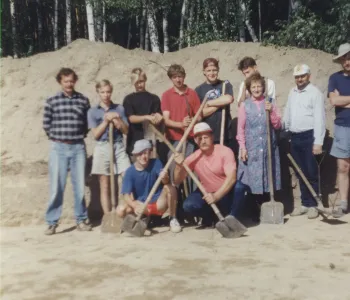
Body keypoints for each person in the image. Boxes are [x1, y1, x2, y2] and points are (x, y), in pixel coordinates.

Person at [43, 68, 92, 235]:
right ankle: (52, 222)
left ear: (75, 81)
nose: (69, 84)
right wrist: (58, 138)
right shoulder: (52, 100)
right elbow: (46, 124)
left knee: (79, 187)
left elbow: (87, 124)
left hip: (78, 147)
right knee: (57, 186)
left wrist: (77, 136)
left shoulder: (83, 100)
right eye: (66, 81)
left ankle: (81, 220)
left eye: (71, 81)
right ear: (60, 82)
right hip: (59, 148)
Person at [233, 73, 282, 221]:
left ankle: (267, 209)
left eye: (259, 86)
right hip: (251, 149)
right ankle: (254, 211)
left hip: (268, 149)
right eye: (253, 86)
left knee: (268, 177)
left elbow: (278, 125)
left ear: (263, 88)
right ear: (248, 89)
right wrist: (242, 147)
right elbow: (240, 129)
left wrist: (271, 110)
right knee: (251, 180)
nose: (256, 89)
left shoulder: (270, 102)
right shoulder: (244, 105)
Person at [173, 122, 238, 228]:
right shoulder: (194, 157)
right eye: (199, 138)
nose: (203, 141)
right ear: (195, 141)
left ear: (212, 137)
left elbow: (232, 178)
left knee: (240, 188)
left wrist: (216, 196)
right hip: (207, 192)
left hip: (226, 191)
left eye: (206, 137)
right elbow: (177, 181)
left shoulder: (225, 151)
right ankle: (211, 218)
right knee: (189, 205)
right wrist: (178, 166)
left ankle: (233, 216)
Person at [284, 64, 326, 219]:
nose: (299, 79)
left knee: (311, 172)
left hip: (310, 137)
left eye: (302, 76)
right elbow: (288, 112)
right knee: (300, 172)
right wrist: (286, 131)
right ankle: (305, 203)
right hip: (294, 137)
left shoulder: (315, 93)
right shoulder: (292, 92)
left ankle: (315, 204)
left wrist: (318, 142)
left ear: (309, 76)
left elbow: (320, 119)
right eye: (297, 77)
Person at [117, 139, 182, 233]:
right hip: (142, 206)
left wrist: (164, 177)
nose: (143, 156)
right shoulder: (130, 172)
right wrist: (134, 205)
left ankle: (173, 219)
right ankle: (139, 223)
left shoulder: (156, 163)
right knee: (120, 210)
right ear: (135, 155)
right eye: (140, 154)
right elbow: (126, 195)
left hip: (158, 204)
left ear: (150, 153)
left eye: (146, 153)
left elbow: (166, 182)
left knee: (170, 187)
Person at [87, 79, 131, 216]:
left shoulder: (119, 108)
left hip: (117, 144)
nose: (106, 95)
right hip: (102, 146)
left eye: (108, 92)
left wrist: (118, 120)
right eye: (103, 92)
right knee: (104, 183)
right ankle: (108, 216)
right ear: (98, 93)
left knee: (128, 176)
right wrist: (106, 121)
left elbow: (126, 131)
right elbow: (95, 134)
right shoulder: (93, 111)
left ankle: (127, 211)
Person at [161, 64, 201, 188]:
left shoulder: (191, 93)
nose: (178, 80)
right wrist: (180, 124)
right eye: (175, 77)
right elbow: (166, 120)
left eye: (180, 76)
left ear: (184, 77)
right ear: (171, 79)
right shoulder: (167, 95)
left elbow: (199, 116)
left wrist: (191, 121)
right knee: (175, 173)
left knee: (189, 172)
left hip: (189, 140)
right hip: (173, 141)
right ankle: (176, 202)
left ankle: (188, 203)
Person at [123, 68, 165, 161]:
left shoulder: (154, 98)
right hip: (135, 140)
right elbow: (131, 118)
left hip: (151, 142)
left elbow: (158, 117)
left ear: (145, 80)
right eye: (136, 82)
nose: (139, 84)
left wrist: (158, 118)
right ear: (133, 82)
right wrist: (146, 117)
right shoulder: (129, 99)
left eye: (141, 81)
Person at [328, 43, 350, 213]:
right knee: (343, 166)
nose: (347, 61)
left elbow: (340, 100)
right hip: (342, 127)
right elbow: (334, 101)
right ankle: (343, 203)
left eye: (349, 57)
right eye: (344, 58)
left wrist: (344, 100)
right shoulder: (334, 78)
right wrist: (342, 101)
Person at [195, 58, 235, 148]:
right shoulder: (199, 90)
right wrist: (220, 103)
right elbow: (201, 113)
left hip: (226, 133)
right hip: (208, 133)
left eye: (214, 70)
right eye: (208, 70)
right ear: (204, 72)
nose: (212, 73)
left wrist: (208, 103)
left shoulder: (225, 84)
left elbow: (229, 99)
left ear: (218, 70)